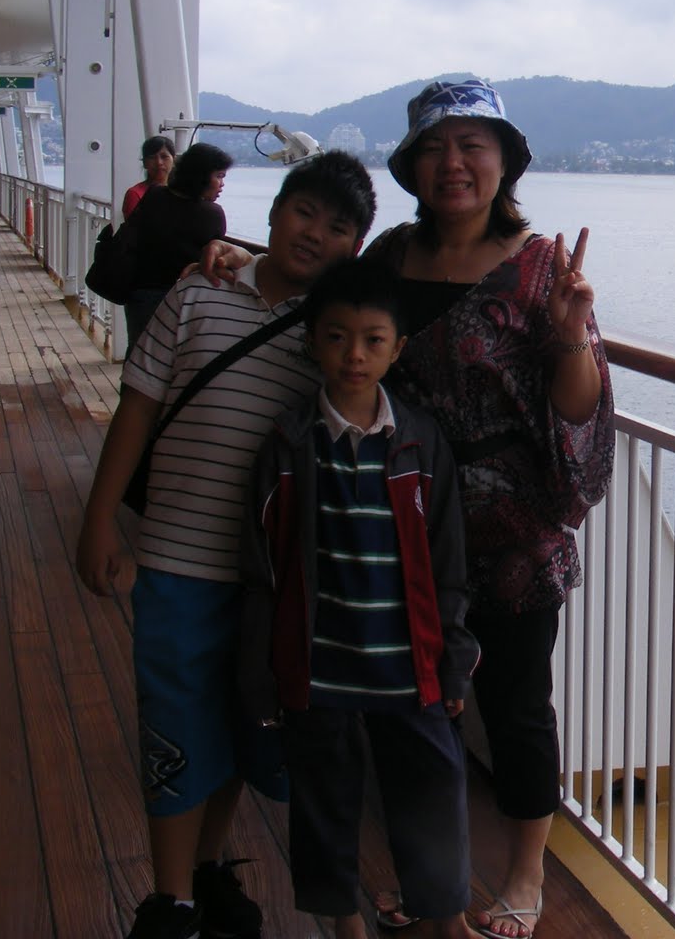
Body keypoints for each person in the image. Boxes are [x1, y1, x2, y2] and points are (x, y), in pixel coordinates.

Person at [201, 79, 615, 938]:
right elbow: (311, 295)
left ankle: (525, 874)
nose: (452, 163)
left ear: (505, 162)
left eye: (472, 145)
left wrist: (573, 331)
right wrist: (230, 259)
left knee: (515, 704)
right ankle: (424, 880)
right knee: (406, 712)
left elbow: (579, 409)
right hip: (398, 520)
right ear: (412, 167)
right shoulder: (391, 256)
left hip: (509, 533)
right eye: (433, 147)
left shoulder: (544, 267)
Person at [75, 152, 377, 939]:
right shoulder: (198, 291)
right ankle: (169, 900)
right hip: (176, 559)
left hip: (268, 577)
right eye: (303, 211)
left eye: (337, 227)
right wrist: (98, 518)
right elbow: (138, 407)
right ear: (272, 211)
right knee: (174, 728)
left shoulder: (332, 332)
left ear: (354, 246)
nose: (314, 233)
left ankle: (207, 872)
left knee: (244, 728)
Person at [239, 258, 485, 939]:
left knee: (434, 791)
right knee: (324, 800)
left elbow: (448, 564)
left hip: (410, 664)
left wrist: (454, 660)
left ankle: (447, 921)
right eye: (337, 336)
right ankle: (345, 923)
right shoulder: (289, 444)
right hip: (318, 667)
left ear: (397, 348)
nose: (354, 354)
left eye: (373, 339)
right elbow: (261, 570)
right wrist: (262, 672)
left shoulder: (420, 441)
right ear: (312, 341)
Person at [122, 141, 233, 350]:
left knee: (138, 352)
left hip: (140, 291)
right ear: (201, 176)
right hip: (185, 297)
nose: (222, 184)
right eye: (219, 176)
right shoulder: (212, 214)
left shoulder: (153, 195)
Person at [123, 134, 176, 218]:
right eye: (152, 157)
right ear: (144, 163)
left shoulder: (179, 192)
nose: (159, 162)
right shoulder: (135, 194)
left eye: (164, 157)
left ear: (174, 160)